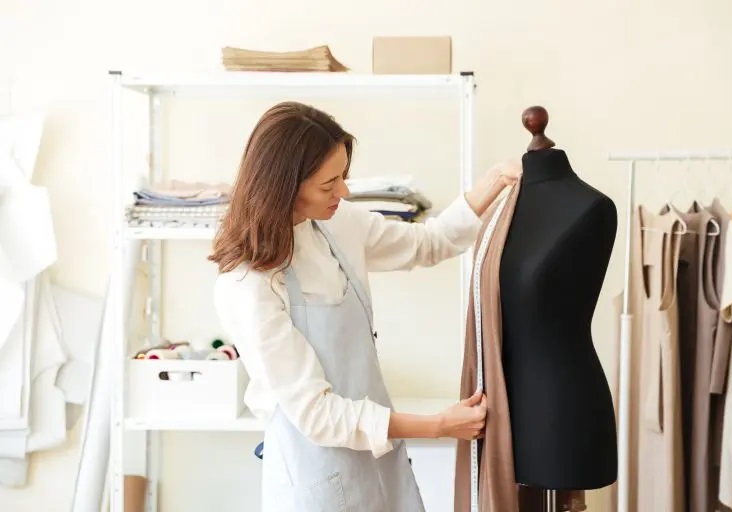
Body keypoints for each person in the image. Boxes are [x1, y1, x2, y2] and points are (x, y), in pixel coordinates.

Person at [210, 101, 520, 511]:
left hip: (378, 460)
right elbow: (318, 414)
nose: (344, 192)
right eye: (328, 184)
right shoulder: (248, 283)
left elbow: (428, 244)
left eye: (343, 177)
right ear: (284, 186)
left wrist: (495, 180)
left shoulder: (339, 223)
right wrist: (438, 426)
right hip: (315, 474)